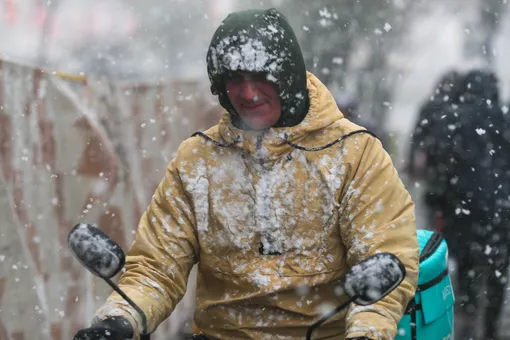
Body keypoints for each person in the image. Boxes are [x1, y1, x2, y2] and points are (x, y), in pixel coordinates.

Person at [73, 8, 419, 340]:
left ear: (288, 75)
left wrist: (366, 332)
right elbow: (157, 266)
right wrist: (120, 317)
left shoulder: (355, 154)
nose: (248, 93)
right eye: (234, 79)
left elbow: (382, 259)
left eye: (261, 76)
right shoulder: (197, 160)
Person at [430, 69, 509, 340]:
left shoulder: (453, 118)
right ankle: (491, 324)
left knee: (465, 263)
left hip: (463, 208)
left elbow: (441, 167)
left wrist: (438, 204)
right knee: (499, 266)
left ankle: (467, 315)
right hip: (502, 209)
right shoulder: (506, 118)